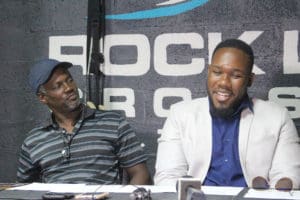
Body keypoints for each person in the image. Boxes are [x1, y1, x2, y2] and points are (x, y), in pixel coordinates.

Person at [154, 39, 300, 190]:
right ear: (209, 71)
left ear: (250, 80)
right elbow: (168, 177)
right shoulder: (180, 114)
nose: (223, 83)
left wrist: (278, 187)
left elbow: (287, 175)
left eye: (236, 76)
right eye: (217, 72)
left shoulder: (278, 117)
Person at [17, 58, 151, 185]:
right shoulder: (33, 141)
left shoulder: (113, 123)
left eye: (69, 80)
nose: (69, 88)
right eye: (58, 86)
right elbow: (23, 190)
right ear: (43, 98)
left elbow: (141, 175)